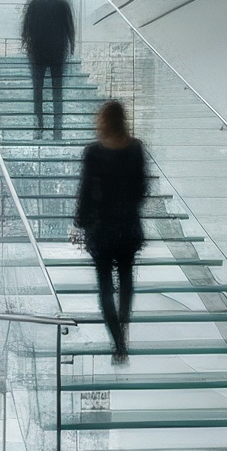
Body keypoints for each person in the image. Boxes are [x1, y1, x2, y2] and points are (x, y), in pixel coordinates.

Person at [73, 100, 148, 365]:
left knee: (105, 287)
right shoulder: (136, 148)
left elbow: (85, 191)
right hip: (127, 225)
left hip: (101, 228)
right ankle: (124, 329)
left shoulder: (93, 152)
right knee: (126, 281)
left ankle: (118, 344)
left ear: (102, 121)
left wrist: (81, 219)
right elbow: (142, 189)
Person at [21, 0, 75, 139]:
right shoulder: (61, 4)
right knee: (56, 92)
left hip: (38, 54)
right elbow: (69, 27)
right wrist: (71, 46)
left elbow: (26, 29)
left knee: (38, 91)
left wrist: (26, 45)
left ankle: (39, 127)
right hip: (57, 53)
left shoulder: (34, 4)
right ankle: (56, 128)